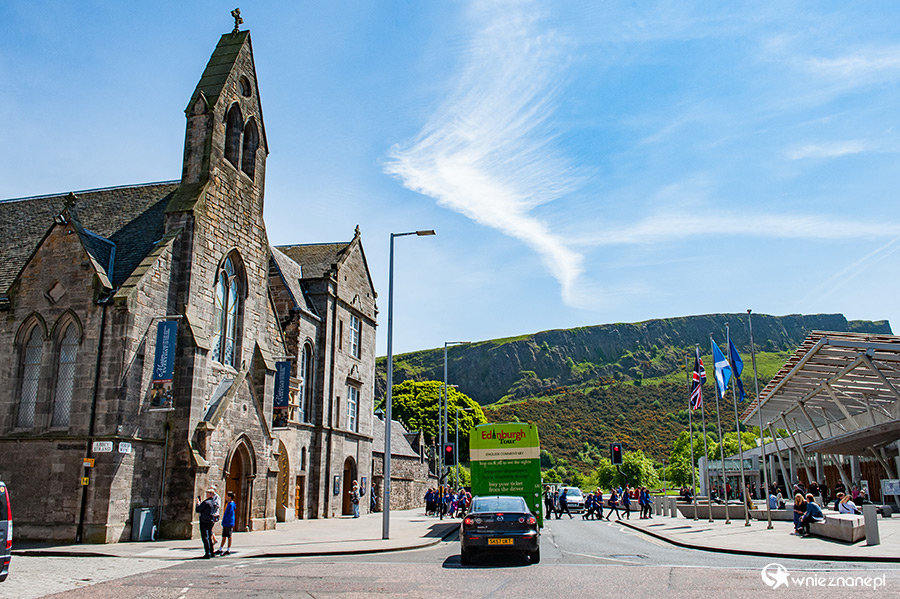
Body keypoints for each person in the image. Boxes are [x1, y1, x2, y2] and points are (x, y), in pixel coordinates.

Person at [196, 489, 217, 558]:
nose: (207, 494)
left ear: (211, 494)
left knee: (205, 537)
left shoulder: (206, 502)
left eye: (208, 493)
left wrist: (197, 504)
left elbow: (198, 509)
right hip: (210, 520)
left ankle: (207, 553)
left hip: (204, 520)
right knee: (209, 536)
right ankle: (212, 551)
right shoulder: (213, 502)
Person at [218, 491, 236, 555]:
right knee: (224, 536)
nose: (226, 497)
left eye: (227, 496)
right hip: (226, 522)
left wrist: (226, 521)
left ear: (230, 497)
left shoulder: (231, 505)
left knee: (229, 536)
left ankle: (228, 549)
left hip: (229, 522)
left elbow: (230, 514)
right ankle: (220, 548)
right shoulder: (228, 504)